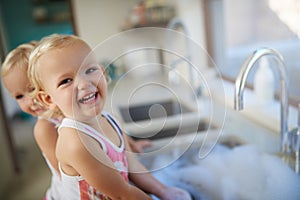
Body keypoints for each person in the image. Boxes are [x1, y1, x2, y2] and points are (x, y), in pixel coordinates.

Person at [28, 34, 192, 200]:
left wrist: (162, 190)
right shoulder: (75, 141)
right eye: (66, 81)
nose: (84, 83)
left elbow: (132, 165)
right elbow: (122, 194)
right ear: (48, 99)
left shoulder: (111, 120)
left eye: (90, 70)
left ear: (103, 72)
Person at [1, 41, 62, 199]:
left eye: (33, 88)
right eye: (19, 96)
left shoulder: (69, 113)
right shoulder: (45, 128)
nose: (30, 101)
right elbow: (67, 174)